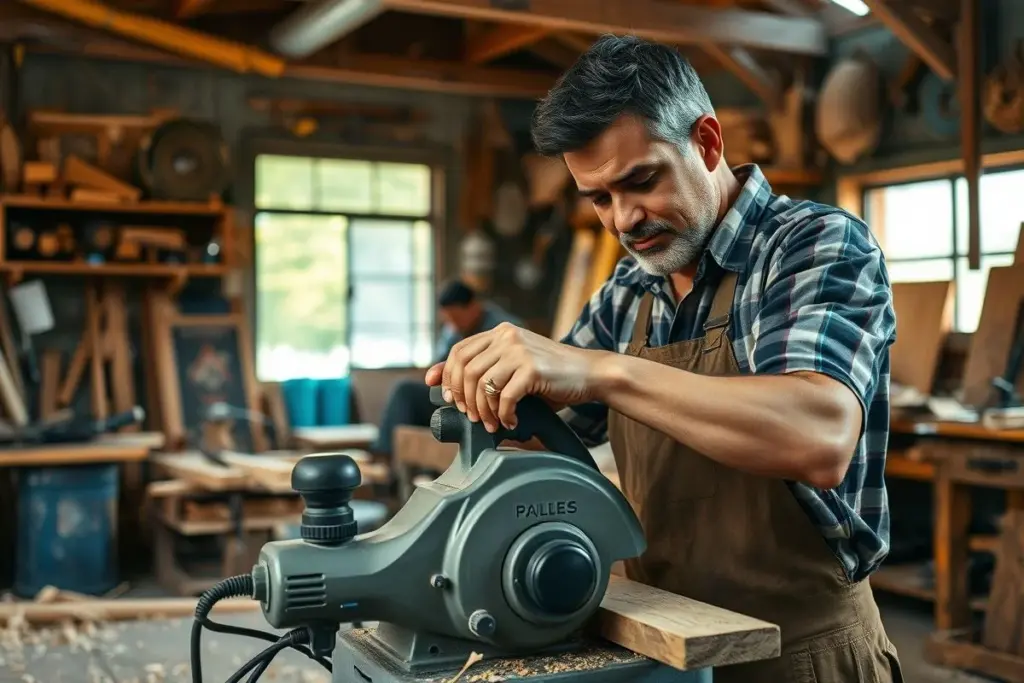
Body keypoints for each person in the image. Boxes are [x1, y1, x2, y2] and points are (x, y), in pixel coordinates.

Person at [425, 35, 900, 683]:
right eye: (598, 198)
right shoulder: (632, 290)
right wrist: (488, 401)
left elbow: (816, 434)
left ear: (706, 142)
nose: (624, 219)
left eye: (641, 180)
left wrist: (603, 371)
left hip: (801, 655)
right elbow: (547, 441)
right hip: (666, 647)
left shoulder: (813, 245)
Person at [369, 280, 521, 461]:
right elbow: (439, 364)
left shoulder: (506, 330)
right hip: (454, 395)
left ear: (473, 306)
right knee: (406, 392)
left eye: (456, 318)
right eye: (449, 320)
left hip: (487, 398)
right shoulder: (453, 330)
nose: (453, 324)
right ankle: (386, 458)